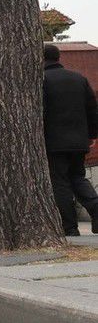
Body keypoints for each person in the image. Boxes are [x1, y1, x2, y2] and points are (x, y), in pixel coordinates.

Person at [43, 44, 98, 236]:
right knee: (77, 177)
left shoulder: (41, 80)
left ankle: (69, 227)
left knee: (60, 182)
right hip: (78, 141)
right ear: (58, 58)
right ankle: (96, 207)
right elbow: (92, 108)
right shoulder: (79, 79)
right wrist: (92, 135)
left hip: (53, 142)